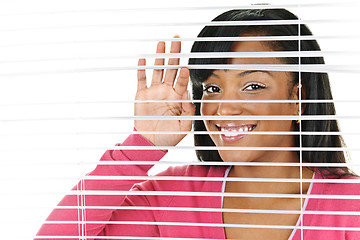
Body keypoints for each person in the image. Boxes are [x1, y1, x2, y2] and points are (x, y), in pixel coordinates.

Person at [36, 8, 360, 240]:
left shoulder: (350, 206)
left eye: (252, 86)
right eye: (212, 88)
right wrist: (143, 145)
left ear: (297, 96)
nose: (224, 108)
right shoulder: (175, 194)